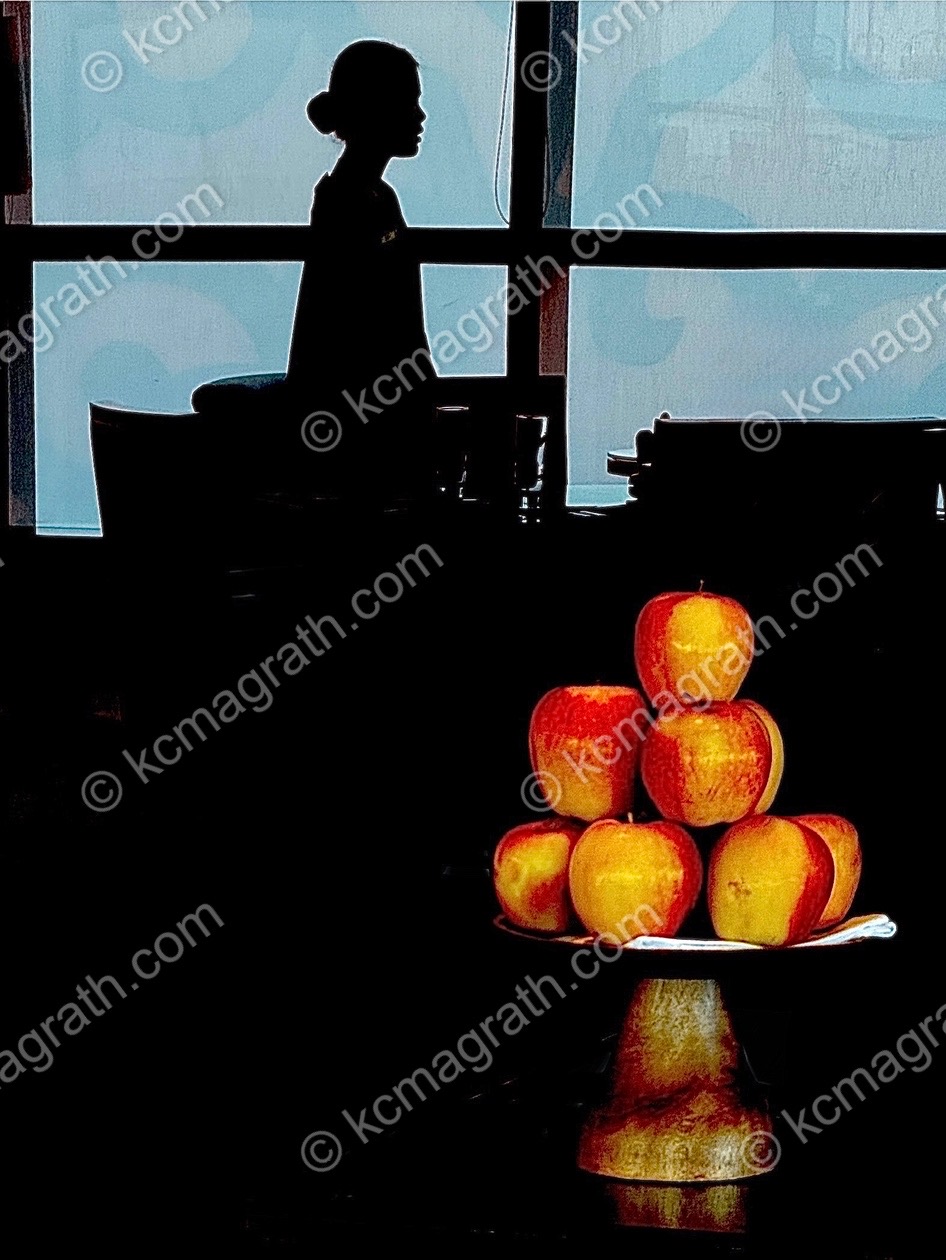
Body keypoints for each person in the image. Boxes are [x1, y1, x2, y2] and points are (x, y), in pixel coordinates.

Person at [288, 40, 434, 503]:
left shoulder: (360, 195)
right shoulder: (359, 201)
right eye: (409, 103)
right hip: (366, 413)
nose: (420, 117)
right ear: (377, 110)